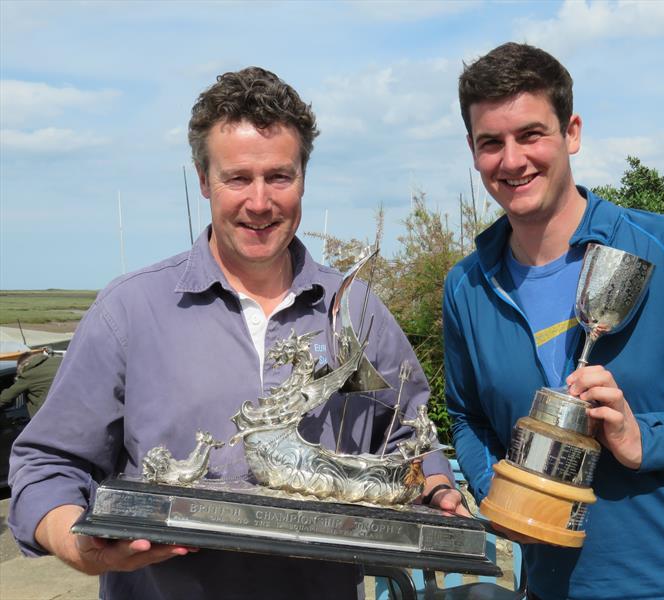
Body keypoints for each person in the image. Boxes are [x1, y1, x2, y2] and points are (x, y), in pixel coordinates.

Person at [9, 67, 466, 600]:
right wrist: (78, 545)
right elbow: (47, 464)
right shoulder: (129, 310)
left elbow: (411, 440)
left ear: (303, 178)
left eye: (279, 176)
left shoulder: (358, 311)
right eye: (237, 178)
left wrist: (436, 489)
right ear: (204, 180)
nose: (259, 202)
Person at [443, 42, 664, 600]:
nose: (512, 161)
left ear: (572, 132)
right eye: (492, 142)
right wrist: (501, 489)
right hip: (549, 588)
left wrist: (651, 439)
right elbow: (466, 416)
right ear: (473, 150)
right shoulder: (466, 286)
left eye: (531, 134)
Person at [0, 349, 63, 417]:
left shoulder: (28, 374)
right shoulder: (59, 360)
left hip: (50, 415)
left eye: (20, 371)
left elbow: (5, 397)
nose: (21, 374)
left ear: (24, 364)